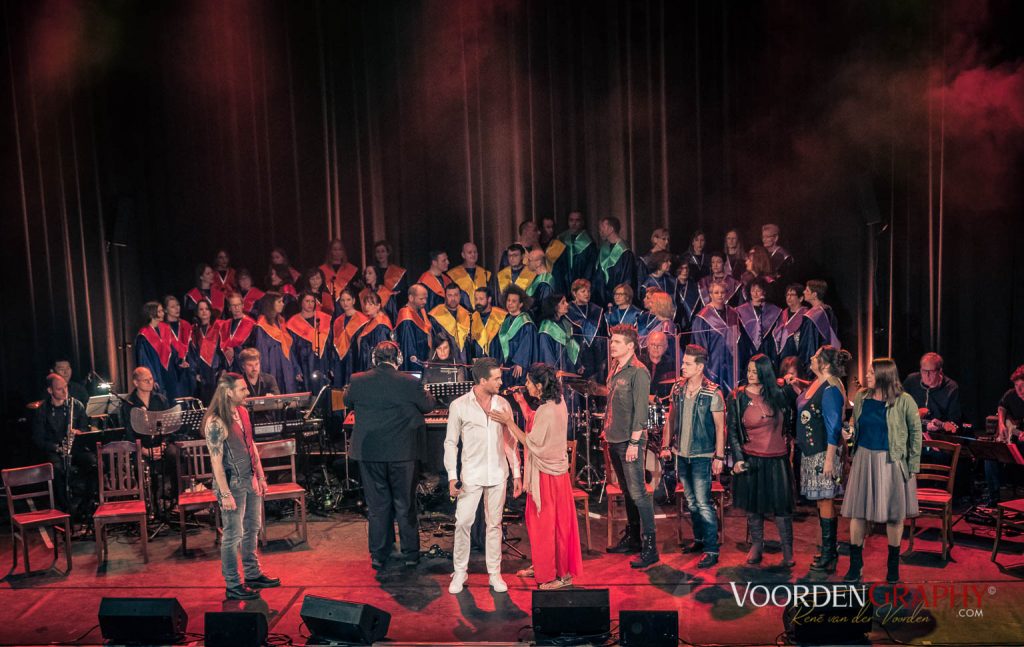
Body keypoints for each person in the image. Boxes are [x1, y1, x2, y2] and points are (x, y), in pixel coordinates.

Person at [491, 364, 583, 589]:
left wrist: (508, 422)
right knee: (545, 525)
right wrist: (521, 402)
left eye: (530, 382)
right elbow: (536, 423)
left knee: (548, 527)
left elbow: (531, 442)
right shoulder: (556, 403)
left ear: (540, 386)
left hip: (547, 478)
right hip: (552, 476)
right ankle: (544, 566)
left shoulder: (548, 409)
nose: (527, 385)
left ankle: (557, 576)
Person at [346, 341, 437, 569]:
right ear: (398, 359)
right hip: (402, 454)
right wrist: (428, 393)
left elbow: (347, 401)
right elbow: (427, 407)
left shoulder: (358, 380)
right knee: (405, 503)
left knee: (377, 506)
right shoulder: (409, 381)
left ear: (374, 359)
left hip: (370, 453)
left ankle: (379, 554)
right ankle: (410, 554)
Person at [445, 358, 522, 594]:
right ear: (482, 381)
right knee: (463, 523)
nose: (501, 381)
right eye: (497, 378)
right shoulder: (459, 405)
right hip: (471, 475)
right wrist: (451, 475)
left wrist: (517, 473)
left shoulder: (503, 405)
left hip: (499, 473)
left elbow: (511, 442)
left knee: (494, 525)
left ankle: (495, 574)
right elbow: (451, 443)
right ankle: (460, 572)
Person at [841, 358, 922, 584]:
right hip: (864, 460)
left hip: (891, 461)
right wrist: (849, 433)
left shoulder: (904, 401)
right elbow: (854, 423)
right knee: (858, 513)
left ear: (884, 375)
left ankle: (892, 567)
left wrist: (913, 466)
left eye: (871, 372)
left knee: (894, 515)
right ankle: (855, 566)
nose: (867, 376)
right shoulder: (861, 398)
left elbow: (916, 434)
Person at [203, 372, 279, 600]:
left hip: (250, 478)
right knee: (233, 535)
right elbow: (215, 462)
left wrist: (262, 476)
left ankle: (252, 574)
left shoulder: (242, 412)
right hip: (232, 484)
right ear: (228, 392)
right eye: (242, 389)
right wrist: (225, 493)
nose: (247, 393)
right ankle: (233, 585)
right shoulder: (216, 421)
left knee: (252, 528)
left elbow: (251, 445)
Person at [660, 344, 726, 568]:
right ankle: (699, 540)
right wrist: (666, 445)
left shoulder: (713, 392)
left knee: (703, 502)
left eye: (687, 364)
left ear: (699, 367)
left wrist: (719, 456)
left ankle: (711, 548)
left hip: (702, 454)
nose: (682, 367)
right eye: (683, 362)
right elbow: (671, 418)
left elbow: (720, 427)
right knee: (692, 502)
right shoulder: (678, 389)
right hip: (682, 453)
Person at [728, 355, 796, 568]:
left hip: (778, 459)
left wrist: (791, 383)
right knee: (753, 506)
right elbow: (732, 431)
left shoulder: (779, 393)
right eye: (748, 370)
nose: (750, 375)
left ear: (765, 372)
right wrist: (738, 460)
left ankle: (787, 550)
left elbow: (798, 410)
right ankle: (757, 545)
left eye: (755, 371)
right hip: (752, 458)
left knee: (782, 508)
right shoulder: (737, 397)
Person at [603, 325, 658, 567]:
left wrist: (635, 441)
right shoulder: (616, 368)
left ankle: (650, 546)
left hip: (629, 440)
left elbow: (640, 411)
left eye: (616, 342)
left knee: (638, 492)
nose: (612, 345)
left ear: (630, 346)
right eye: (612, 341)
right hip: (615, 438)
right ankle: (634, 538)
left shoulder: (639, 372)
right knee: (628, 491)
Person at [796, 345, 850, 574]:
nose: (811, 357)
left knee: (826, 500)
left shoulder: (831, 390)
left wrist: (829, 460)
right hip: (811, 453)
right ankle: (829, 549)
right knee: (820, 501)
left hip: (822, 454)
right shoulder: (817, 384)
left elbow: (834, 426)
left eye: (816, 356)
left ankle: (829, 552)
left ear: (825, 365)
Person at [32, 373, 92, 513]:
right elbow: (38, 439)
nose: (65, 392)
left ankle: (86, 505)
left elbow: (85, 428)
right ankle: (66, 510)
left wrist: (78, 432)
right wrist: (57, 448)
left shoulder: (76, 405)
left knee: (94, 463)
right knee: (57, 469)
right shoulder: (42, 410)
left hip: (75, 448)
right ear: (50, 391)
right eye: (60, 389)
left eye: (66, 387)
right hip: (56, 451)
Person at [691, 281, 740, 394]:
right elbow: (699, 344)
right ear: (710, 294)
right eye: (716, 292)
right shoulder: (703, 316)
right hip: (712, 363)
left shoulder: (733, 313)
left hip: (731, 362)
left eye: (722, 292)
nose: (720, 295)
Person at [253, 292, 301, 394]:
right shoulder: (262, 325)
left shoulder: (280, 321)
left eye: (282, 301)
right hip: (272, 365)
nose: (282, 304)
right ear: (270, 304)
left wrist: (296, 368)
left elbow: (288, 348)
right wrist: (264, 376)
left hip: (285, 364)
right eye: (279, 302)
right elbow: (262, 352)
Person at [902, 352, 962, 433]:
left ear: (940, 371)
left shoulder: (951, 387)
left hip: (938, 437)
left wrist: (942, 426)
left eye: (931, 371)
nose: (927, 375)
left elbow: (954, 420)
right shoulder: (911, 380)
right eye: (924, 371)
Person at [735, 277, 783, 376]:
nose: (755, 293)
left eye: (758, 290)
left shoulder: (774, 310)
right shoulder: (740, 310)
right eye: (753, 290)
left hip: (766, 348)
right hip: (747, 348)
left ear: (764, 292)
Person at [288, 291, 333, 391]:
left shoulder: (324, 318)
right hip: (304, 363)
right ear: (301, 303)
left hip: (323, 361)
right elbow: (291, 350)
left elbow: (330, 344)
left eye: (312, 301)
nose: (310, 304)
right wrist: (296, 369)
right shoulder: (293, 322)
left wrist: (331, 364)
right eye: (307, 301)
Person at [567, 279, 608, 380]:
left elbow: (603, 334)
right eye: (583, 291)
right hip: (578, 355)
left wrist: (603, 359)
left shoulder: (596, 310)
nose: (587, 294)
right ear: (574, 293)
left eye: (588, 291)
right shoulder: (568, 310)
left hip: (596, 356)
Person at [592, 217, 636, 309]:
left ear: (611, 229)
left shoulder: (625, 252)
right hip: (600, 299)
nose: (600, 230)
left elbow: (627, 279)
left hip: (617, 300)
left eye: (603, 227)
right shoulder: (602, 249)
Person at [497, 286, 537, 388]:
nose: (510, 303)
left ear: (521, 304)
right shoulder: (506, 320)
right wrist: (501, 361)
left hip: (518, 366)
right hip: (507, 365)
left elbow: (526, 344)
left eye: (514, 301)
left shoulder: (525, 322)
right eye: (508, 300)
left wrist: (520, 362)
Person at [330, 288, 369, 387]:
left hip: (356, 359)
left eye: (348, 300)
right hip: (340, 361)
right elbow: (334, 344)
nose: (345, 303)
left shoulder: (363, 320)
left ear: (354, 300)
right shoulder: (337, 321)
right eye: (342, 300)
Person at [121, 366, 172, 441]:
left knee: (173, 450)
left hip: (160, 444)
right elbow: (129, 432)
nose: (150, 382)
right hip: (139, 446)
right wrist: (142, 449)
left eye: (151, 379)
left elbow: (168, 426)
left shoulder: (161, 399)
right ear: (136, 383)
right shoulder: (129, 403)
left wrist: (164, 444)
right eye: (145, 380)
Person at [188, 300, 224, 404]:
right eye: (201, 309)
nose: (204, 312)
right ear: (197, 312)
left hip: (216, 371)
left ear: (210, 311)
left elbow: (222, 350)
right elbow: (192, 353)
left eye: (207, 309)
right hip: (202, 373)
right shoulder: (194, 331)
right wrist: (195, 372)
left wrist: (222, 368)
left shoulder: (217, 328)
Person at [135, 301, 173, 396]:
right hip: (156, 374)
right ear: (151, 314)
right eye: (159, 311)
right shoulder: (143, 335)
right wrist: (152, 378)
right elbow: (144, 360)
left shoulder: (165, 328)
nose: (163, 313)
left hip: (168, 373)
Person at [538, 294, 582, 376]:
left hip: (568, 370)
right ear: (555, 307)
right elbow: (546, 354)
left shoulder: (566, 323)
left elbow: (571, 346)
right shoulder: (546, 328)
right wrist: (554, 372)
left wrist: (578, 364)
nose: (567, 304)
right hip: (556, 374)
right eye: (563, 302)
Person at [429, 283, 472, 365]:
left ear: (460, 296)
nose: (453, 298)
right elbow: (435, 342)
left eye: (456, 295)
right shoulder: (436, 315)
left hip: (464, 358)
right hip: (445, 359)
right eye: (450, 295)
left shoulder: (467, 314)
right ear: (445, 296)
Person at [554, 210, 596, 290]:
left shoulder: (589, 243)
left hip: (581, 286)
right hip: (563, 284)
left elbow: (591, 267)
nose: (574, 223)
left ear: (582, 222)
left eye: (577, 220)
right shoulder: (561, 239)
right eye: (571, 220)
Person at [163, 295, 194, 400]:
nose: (177, 308)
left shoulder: (186, 325)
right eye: (172, 307)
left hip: (187, 369)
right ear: (165, 310)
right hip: (172, 370)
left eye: (178, 305)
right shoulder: (162, 327)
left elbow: (192, 347)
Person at [395, 284, 432, 372]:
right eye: (421, 299)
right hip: (414, 366)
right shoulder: (406, 317)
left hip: (423, 362)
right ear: (411, 298)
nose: (425, 302)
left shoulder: (420, 311)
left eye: (426, 298)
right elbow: (408, 349)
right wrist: (415, 371)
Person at [448, 242, 493, 311]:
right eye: (470, 252)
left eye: (475, 252)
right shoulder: (452, 274)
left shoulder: (485, 274)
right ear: (463, 255)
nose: (473, 255)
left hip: (482, 314)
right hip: (462, 315)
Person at [356, 291, 394, 373]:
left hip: (375, 370)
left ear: (378, 306)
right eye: (365, 304)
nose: (366, 307)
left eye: (370, 304)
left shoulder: (381, 325)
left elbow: (381, 353)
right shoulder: (372, 320)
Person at [800, 280, 841, 356]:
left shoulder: (812, 317)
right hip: (829, 357)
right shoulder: (829, 312)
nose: (804, 292)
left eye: (807, 290)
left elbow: (809, 346)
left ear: (814, 294)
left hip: (817, 360)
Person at [773, 283, 808, 370]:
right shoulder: (782, 314)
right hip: (781, 355)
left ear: (801, 298)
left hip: (797, 354)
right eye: (787, 295)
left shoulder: (806, 315)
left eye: (792, 295)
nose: (788, 297)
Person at [466, 287, 506, 361]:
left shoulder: (501, 316)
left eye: (481, 299)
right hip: (479, 364)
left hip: (496, 361)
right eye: (476, 299)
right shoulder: (472, 317)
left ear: (489, 299)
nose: (478, 302)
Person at [221, 294, 256, 373]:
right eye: (233, 305)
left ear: (243, 305)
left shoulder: (251, 324)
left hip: (245, 366)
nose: (236, 308)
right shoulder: (226, 325)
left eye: (238, 305)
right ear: (229, 308)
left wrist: (236, 351)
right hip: (229, 367)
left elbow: (254, 347)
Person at [373, 239, 409, 309]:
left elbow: (403, 293)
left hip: (393, 308)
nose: (380, 254)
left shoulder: (397, 272)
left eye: (383, 251)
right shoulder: (372, 271)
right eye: (377, 252)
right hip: (375, 308)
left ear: (388, 253)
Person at [640, 331, 676, 398]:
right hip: (641, 402)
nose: (655, 348)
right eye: (652, 344)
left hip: (662, 403)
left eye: (659, 345)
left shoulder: (671, 363)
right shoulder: (639, 362)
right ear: (647, 345)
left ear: (666, 347)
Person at [525, 249, 557, 315]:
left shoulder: (545, 282)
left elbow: (543, 308)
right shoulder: (538, 277)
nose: (527, 263)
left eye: (529, 260)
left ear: (538, 262)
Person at [673, 263, 701, 331]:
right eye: (682, 268)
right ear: (676, 269)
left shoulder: (695, 287)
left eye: (686, 268)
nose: (685, 271)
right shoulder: (670, 285)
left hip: (690, 326)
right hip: (674, 325)